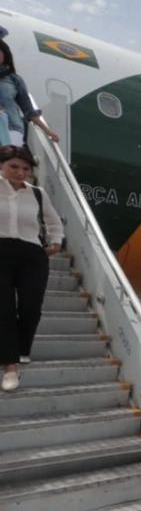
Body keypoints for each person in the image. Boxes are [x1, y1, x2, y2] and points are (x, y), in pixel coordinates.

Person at [0, 144, 63, 392]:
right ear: (2, 165)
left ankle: (22, 348)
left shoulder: (37, 193)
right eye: (13, 166)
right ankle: (10, 367)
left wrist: (56, 241)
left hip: (32, 255)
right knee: (3, 309)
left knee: (31, 307)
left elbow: (53, 221)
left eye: (25, 168)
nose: (19, 172)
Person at [0, 39, 60, 146]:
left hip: (11, 128)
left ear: (5, 55)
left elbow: (28, 109)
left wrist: (48, 131)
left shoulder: (14, 80)